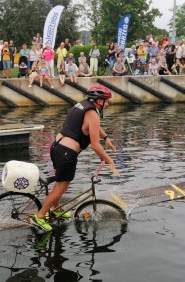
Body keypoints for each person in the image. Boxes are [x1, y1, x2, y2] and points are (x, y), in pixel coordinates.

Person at [31, 85, 120, 231]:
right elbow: (95, 146)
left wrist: (106, 137)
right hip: (67, 153)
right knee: (62, 186)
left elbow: (92, 127)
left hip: (57, 147)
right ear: (98, 101)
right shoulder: (93, 114)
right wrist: (110, 162)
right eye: (106, 101)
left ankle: (56, 209)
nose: (108, 104)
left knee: (60, 183)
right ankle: (39, 216)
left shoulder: (81, 105)